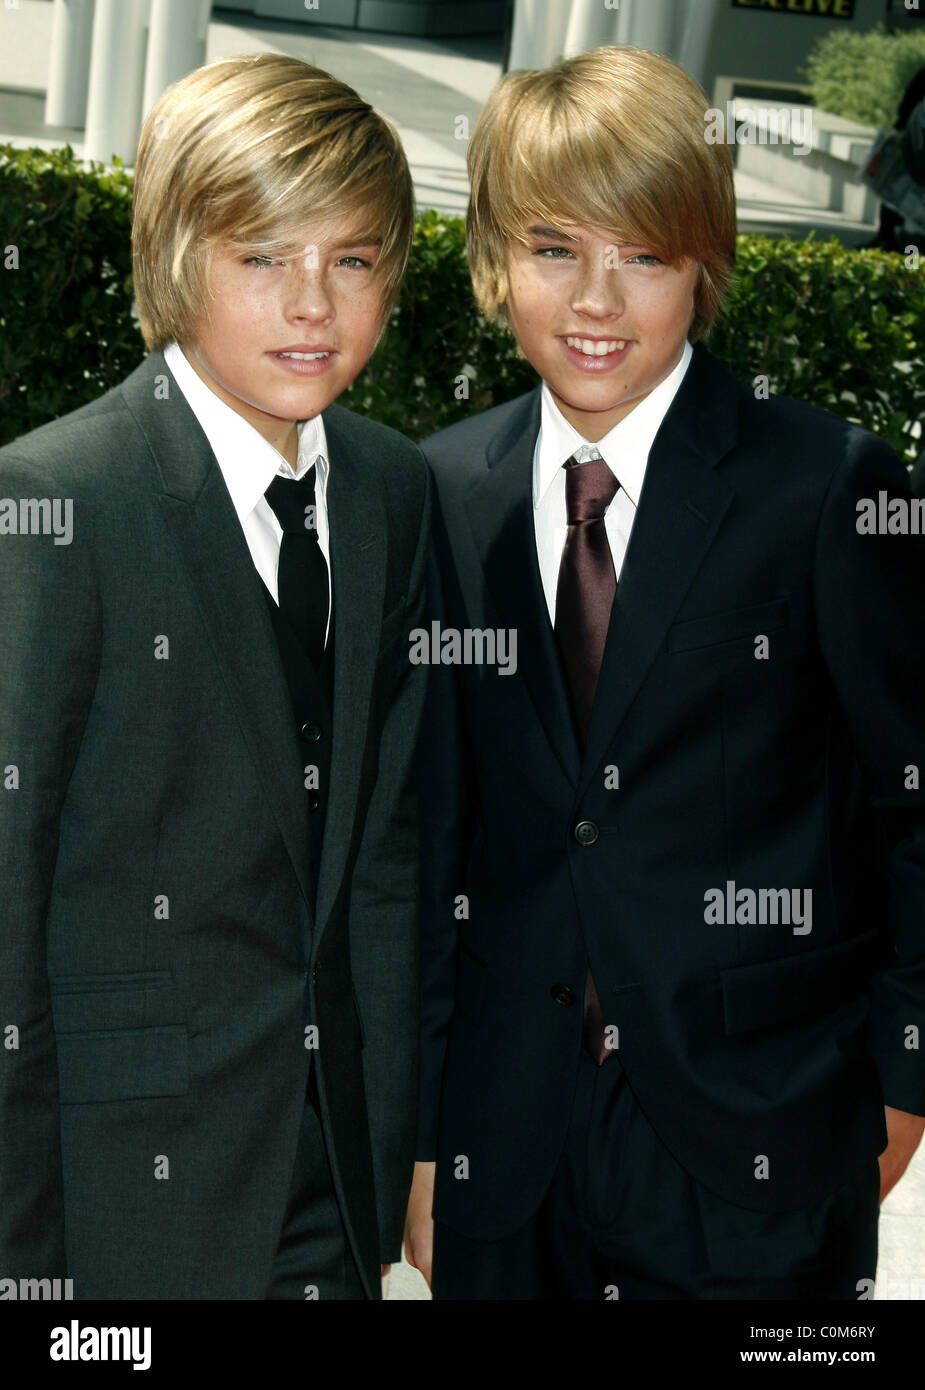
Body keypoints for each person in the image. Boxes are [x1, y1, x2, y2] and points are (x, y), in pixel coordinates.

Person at [404, 45, 925, 1300]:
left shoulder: (824, 486)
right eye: (553, 249)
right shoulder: (436, 493)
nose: (597, 297)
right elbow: (423, 841)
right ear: (490, 263)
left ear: (704, 263)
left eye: (643, 252)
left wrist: (903, 1088)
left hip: (760, 1142)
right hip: (503, 1147)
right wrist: (420, 1132)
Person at [0, 53, 429, 1300]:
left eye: (351, 261)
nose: (312, 304)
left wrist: (401, 1150)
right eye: (263, 258)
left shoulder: (391, 493)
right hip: (125, 1205)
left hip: (331, 1198)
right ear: (177, 257)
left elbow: (385, 861)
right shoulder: (58, 501)